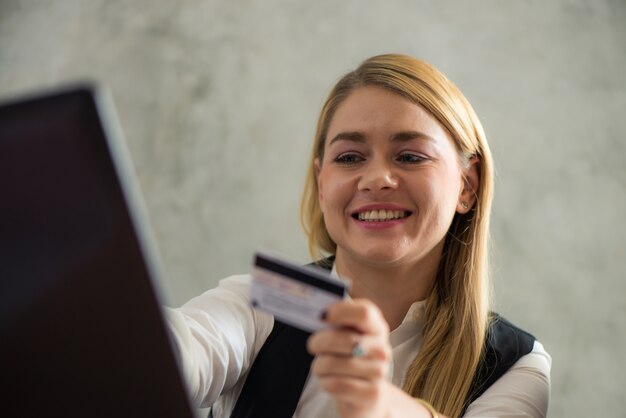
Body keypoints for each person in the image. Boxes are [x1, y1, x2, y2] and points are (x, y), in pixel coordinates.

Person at [164, 54, 551, 418]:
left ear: (467, 186)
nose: (376, 179)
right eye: (349, 158)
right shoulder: (263, 301)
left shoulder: (516, 365)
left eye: (410, 156)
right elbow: (162, 357)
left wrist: (382, 405)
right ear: (321, 183)